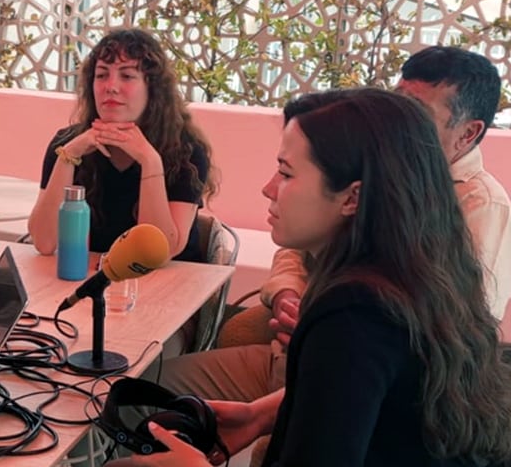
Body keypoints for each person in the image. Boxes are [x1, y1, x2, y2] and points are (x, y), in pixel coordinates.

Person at [45, 88, 511, 467]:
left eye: (287, 173)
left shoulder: (352, 314)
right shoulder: (432, 278)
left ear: (353, 196)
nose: (268, 188)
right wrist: (259, 413)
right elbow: (373, 399)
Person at [158, 46, 510, 406]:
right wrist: (287, 294)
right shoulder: (382, 168)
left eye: (415, 114)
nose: (394, 122)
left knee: (147, 394)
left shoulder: (480, 204)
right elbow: (298, 244)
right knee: (210, 348)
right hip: (315, 340)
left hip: (354, 363)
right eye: (396, 103)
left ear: (468, 133)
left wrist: (324, 331)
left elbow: (461, 326)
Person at [28, 28, 215, 264]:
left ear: (152, 89)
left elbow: (160, 252)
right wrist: (68, 157)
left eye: (127, 76)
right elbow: (44, 243)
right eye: (101, 75)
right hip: (92, 279)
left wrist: (149, 160)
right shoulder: (67, 145)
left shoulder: (186, 150)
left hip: (168, 284)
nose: (111, 86)